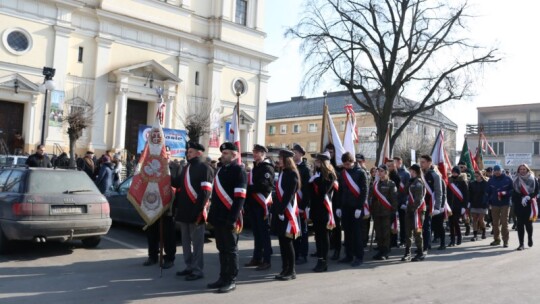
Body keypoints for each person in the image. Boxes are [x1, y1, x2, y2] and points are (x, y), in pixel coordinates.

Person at [207, 142, 246, 293]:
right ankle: (222, 277)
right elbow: (216, 196)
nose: (222, 156)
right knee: (221, 249)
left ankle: (231, 280)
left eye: (226, 153)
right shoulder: (221, 170)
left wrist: (232, 219)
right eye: (222, 153)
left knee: (231, 250)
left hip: (230, 217)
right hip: (218, 217)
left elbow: (240, 197)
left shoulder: (238, 170)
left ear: (234, 154)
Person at [171, 141, 213, 280]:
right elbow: (177, 183)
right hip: (183, 211)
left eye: (190, 152)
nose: (187, 154)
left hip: (196, 212)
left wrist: (198, 211)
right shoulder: (187, 167)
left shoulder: (205, 168)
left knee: (197, 243)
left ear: (199, 153)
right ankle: (189, 266)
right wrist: (165, 171)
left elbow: (205, 192)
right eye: (188, 152)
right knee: (185, 242)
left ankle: (197, 269)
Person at [271, 149, 301, 280]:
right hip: (280, 211)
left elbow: (288, 195)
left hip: (287, 212)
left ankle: (291, 270)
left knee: (288, 243)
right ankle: (284, 268)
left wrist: (282, 210)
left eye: (281, 158)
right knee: (282, 243)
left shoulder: (292, 174)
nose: (279, 160)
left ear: (287, 160)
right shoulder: (283, 172)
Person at [244, 144, 275, 270]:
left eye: (257, 152)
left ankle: (266, 259)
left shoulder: (267, 168)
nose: (254, 154)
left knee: (264, 234)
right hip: (253, 204)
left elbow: (264, 186)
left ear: (263, 153)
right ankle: (257, 258)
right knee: (256, 233)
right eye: (254, 152)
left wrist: (247, 189)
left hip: (262, 204)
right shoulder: (255, 167)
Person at [337, 152, 368, 267]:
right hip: (346, 207)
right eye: (344, 164)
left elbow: (364, 191)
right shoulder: (343, 174)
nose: (346, 166)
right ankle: (348, 255)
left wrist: (360, 207)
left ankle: (359, 257)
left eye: (348, 164)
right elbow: (340, 191)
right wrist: (339, 206)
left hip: (356, 208)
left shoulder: (361, 173)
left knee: (357, 234)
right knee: (347, 233)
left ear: (352, 161)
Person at [309, 151, 337, 272]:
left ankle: (324, 261)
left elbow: (323, 191)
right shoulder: (317, 174)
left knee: (324, 237)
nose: (315, 163)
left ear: (323, 162)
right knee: (318, 237)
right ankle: (319, 258)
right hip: (316, 209)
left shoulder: (330, 175)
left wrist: (315, 181)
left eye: (318, 161)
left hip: (324, 210)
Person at [371, 164, 398, 260]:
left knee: (386, 233)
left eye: (381, 171)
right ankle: (380, 250)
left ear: (386, 172)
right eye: (378, 171)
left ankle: (385, 251)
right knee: (378, 233)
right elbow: (372, 198)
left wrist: (393, 212)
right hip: (377, 212)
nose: (379, 173)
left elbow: (394, 199)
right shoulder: (376, 184)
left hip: (387, 212)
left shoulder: (391, 184)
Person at [419, 155, 444, 251]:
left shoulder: (435, 175)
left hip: (431, 204)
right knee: (422, 226)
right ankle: (424, 245)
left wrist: (437, 207)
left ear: (429, 163)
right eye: (420, 162)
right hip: (421, 204)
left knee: (431, 225)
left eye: (423, 162)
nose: (421, 164)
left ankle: (429, 245)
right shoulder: (420, 174)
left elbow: (439, 192)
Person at [401, 164, 426, 262]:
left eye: (411, 171)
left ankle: (420, 253)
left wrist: (412, 209)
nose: (409, 172)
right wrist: (409, 182)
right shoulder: (412, 181)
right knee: (408, 232)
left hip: (417, 211)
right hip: (410, 210)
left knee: (417, 233)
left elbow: (418, 199)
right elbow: (405, 191)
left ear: (415, 171)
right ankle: (407, 253)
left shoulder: (419, 182)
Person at [512, 164, 539, 251]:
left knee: (528, 224)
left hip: (529, 204)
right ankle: (521, 244)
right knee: (520, 224)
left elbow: (536, 191)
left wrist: (528, 197)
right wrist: (521, 198)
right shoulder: (515, 179)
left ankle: (530, 237)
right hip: (519, 204)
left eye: (524, 169)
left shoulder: (533, 179)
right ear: (518, 170)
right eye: (521, 169)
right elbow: (513, 192)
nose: (522, 171)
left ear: (527, 170)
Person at [292, 144, 311, 265]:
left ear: (300, 154)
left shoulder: (305, 168)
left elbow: (307, 190)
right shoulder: (292, 167)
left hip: (301, 203)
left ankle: (303, 254)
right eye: (293, 152)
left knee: (303, 230)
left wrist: (303, 207)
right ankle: (295, 252)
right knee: (295, 229)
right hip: (293, 203)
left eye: (295, 152)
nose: (293, 154)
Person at [486, 165, 513, 247]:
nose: (497, 172)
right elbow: (487, 192)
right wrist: (488, 202)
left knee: (504, 222)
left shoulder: (508, 179)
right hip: (494, 204)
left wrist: (505, 193)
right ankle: (496, 239)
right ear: (493, 171)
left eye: (498, 170)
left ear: (501, 170)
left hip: (505, 204)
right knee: (495, 223)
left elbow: (512, 190)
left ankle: (505, 241)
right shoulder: (491, 180)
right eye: (495, 170)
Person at [325, 143, 342, 260]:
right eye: (327, 151)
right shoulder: (323, 166)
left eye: (331, 152)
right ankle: (325, 248)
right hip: (326, 201)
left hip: (335, 201)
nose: (329, 154)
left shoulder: (339, 167)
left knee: (336, 227)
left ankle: (337, 249)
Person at [447, 166, 469, 246]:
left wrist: (464, 206)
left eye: (455, 172)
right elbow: (447, 194)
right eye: (453, 172)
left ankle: (459, 237)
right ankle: (452, 240)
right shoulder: (449, 182)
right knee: (451, 223)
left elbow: (466, 195)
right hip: (450, 206)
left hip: (459, 206)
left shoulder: (462, 182)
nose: (454, 173)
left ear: (458, 173)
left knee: (455, 222)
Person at [394, 156, 410, 248]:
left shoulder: (406, 174)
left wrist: (405, 202)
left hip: (402, 201)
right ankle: (394, 240)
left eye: (395, 162)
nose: (394, 164)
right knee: (394, 221)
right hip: (394, 201)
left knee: (403, 222)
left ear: (400, 162)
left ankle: (403, 240)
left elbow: (408, 189)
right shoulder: (393, 172)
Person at [469, 170, 489, 241]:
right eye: (475, 176)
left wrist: (488, 203)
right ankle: (475, 235)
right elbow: (470, 194)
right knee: (474, 220)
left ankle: (483, 232)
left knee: (481, 219)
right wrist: (469, 202)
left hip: (483, 204)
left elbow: (489, 194)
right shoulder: (472, 184)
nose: (476, 178)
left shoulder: (486, 183)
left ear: (481, 176)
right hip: (474, 203)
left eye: (477, 176)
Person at [386, 159, 402, 248]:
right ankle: (387, 241)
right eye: (387, 166)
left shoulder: (395, 176)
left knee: (393, 222)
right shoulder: (387, 175)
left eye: (390, 166)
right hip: (386, 202)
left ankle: (393, 241)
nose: (388, 168)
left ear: (394, 166)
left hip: (393, 202)